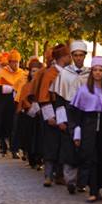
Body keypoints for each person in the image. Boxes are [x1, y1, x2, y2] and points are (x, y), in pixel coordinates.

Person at [51, 41, 91, 191]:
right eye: (76, 55)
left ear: (85, 56)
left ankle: (82, 181)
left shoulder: (90, 74)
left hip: (86, 113)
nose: (78, 58)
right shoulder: (64, 74)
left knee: (84, 147)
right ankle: (70, 180)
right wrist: (61, 119)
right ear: (72, 56)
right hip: (69, 113)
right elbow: (59, 100)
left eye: (81, 55)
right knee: (69, 146)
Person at [70, 56, 102, 203]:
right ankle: (93, 190)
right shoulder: (83, 91)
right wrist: (77, 132)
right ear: (91, 72)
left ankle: (99, 189)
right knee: (91, 159)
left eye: (100, 70)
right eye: (95, 70)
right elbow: (75, 114)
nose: (98, 73)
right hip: (89, 127)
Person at [36, 43, 74, 188]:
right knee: (51, 144)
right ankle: (48, 175)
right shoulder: (50, 74)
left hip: (64, 109)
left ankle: (60, 175)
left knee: (62, 144)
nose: (70, 58)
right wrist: (49, 116)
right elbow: (44, 96)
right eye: (68, 55)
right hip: (52, 109)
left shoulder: (67, 72)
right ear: (63, 57)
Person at [0, 50, 28, 157]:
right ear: (9, 62)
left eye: (18, 62)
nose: (16, 64)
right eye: (14, 62)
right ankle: (3, 145)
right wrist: (10, 88)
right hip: (5, 103)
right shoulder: (2, 72)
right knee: (4, 124)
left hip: (17, 103)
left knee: (15, 126)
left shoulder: (22, 73)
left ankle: (15, 148)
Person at [14, 57, 44, 169]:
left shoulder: (43, 85)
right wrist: (30, 106)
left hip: (40, 115)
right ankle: (31, 158)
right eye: (33, 71)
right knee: (30, 137)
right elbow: (22, 99)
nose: (35, 73)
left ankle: (40, 159)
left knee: (40, 138)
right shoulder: (26, 85)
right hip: (29, 115)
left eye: (37, 71)